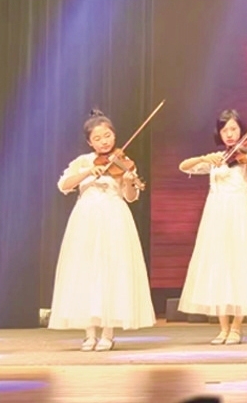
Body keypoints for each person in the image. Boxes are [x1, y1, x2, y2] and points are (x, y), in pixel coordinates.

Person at [50, 109, 156, 351]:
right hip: (86, 221)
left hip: (114, 219)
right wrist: (89, 171)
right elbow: (64, 185)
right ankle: (89, 334)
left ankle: (108, 333)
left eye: (107, 136)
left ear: (114, 135)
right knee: (86, 273)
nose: (104, 142)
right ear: (90, 142)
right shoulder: (83, 161)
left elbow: (131, 197)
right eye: (97, 138)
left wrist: (129, 181)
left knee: (112, 272)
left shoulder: (123, 162)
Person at [176, 110, 247, 345]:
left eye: (233, 129)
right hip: (216, 215)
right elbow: (183, 166)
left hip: (241, 213)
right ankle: (223, 328)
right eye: (224, 130)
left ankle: (237, 327)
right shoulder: (218, 157)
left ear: (241, 130)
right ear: (219, 133)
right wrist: (204, 158)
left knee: (241, 267)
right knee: (218, 266)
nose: (229, 134)